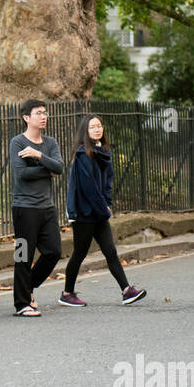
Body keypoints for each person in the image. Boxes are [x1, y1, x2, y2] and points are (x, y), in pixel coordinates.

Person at [60, 114, 145, 308]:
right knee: (79, 253)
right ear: (85, 132)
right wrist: (104, 210)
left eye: (99, 126)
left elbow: (107, 182)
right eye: (93, 127)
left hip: (98, 211)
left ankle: (126, 290)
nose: (98, 129)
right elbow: (89, 188)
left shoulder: (103, 152)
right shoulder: (83, 155)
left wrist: (107, 203)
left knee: (110, 251)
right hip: (84, 213)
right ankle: (67, 293)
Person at [10, 98, 63, 317]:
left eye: (45, 112)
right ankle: (21, 303)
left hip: (47, 208)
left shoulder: (49, 143)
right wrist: (46, 167)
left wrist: (38, 155)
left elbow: (59, 167)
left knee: (54, 252)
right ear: (26, 118)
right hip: (24, 208)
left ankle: (27, 287)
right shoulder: (18, 143)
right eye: (38, 113)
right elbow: (22, 174)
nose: (43, 116)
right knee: (23, 255)